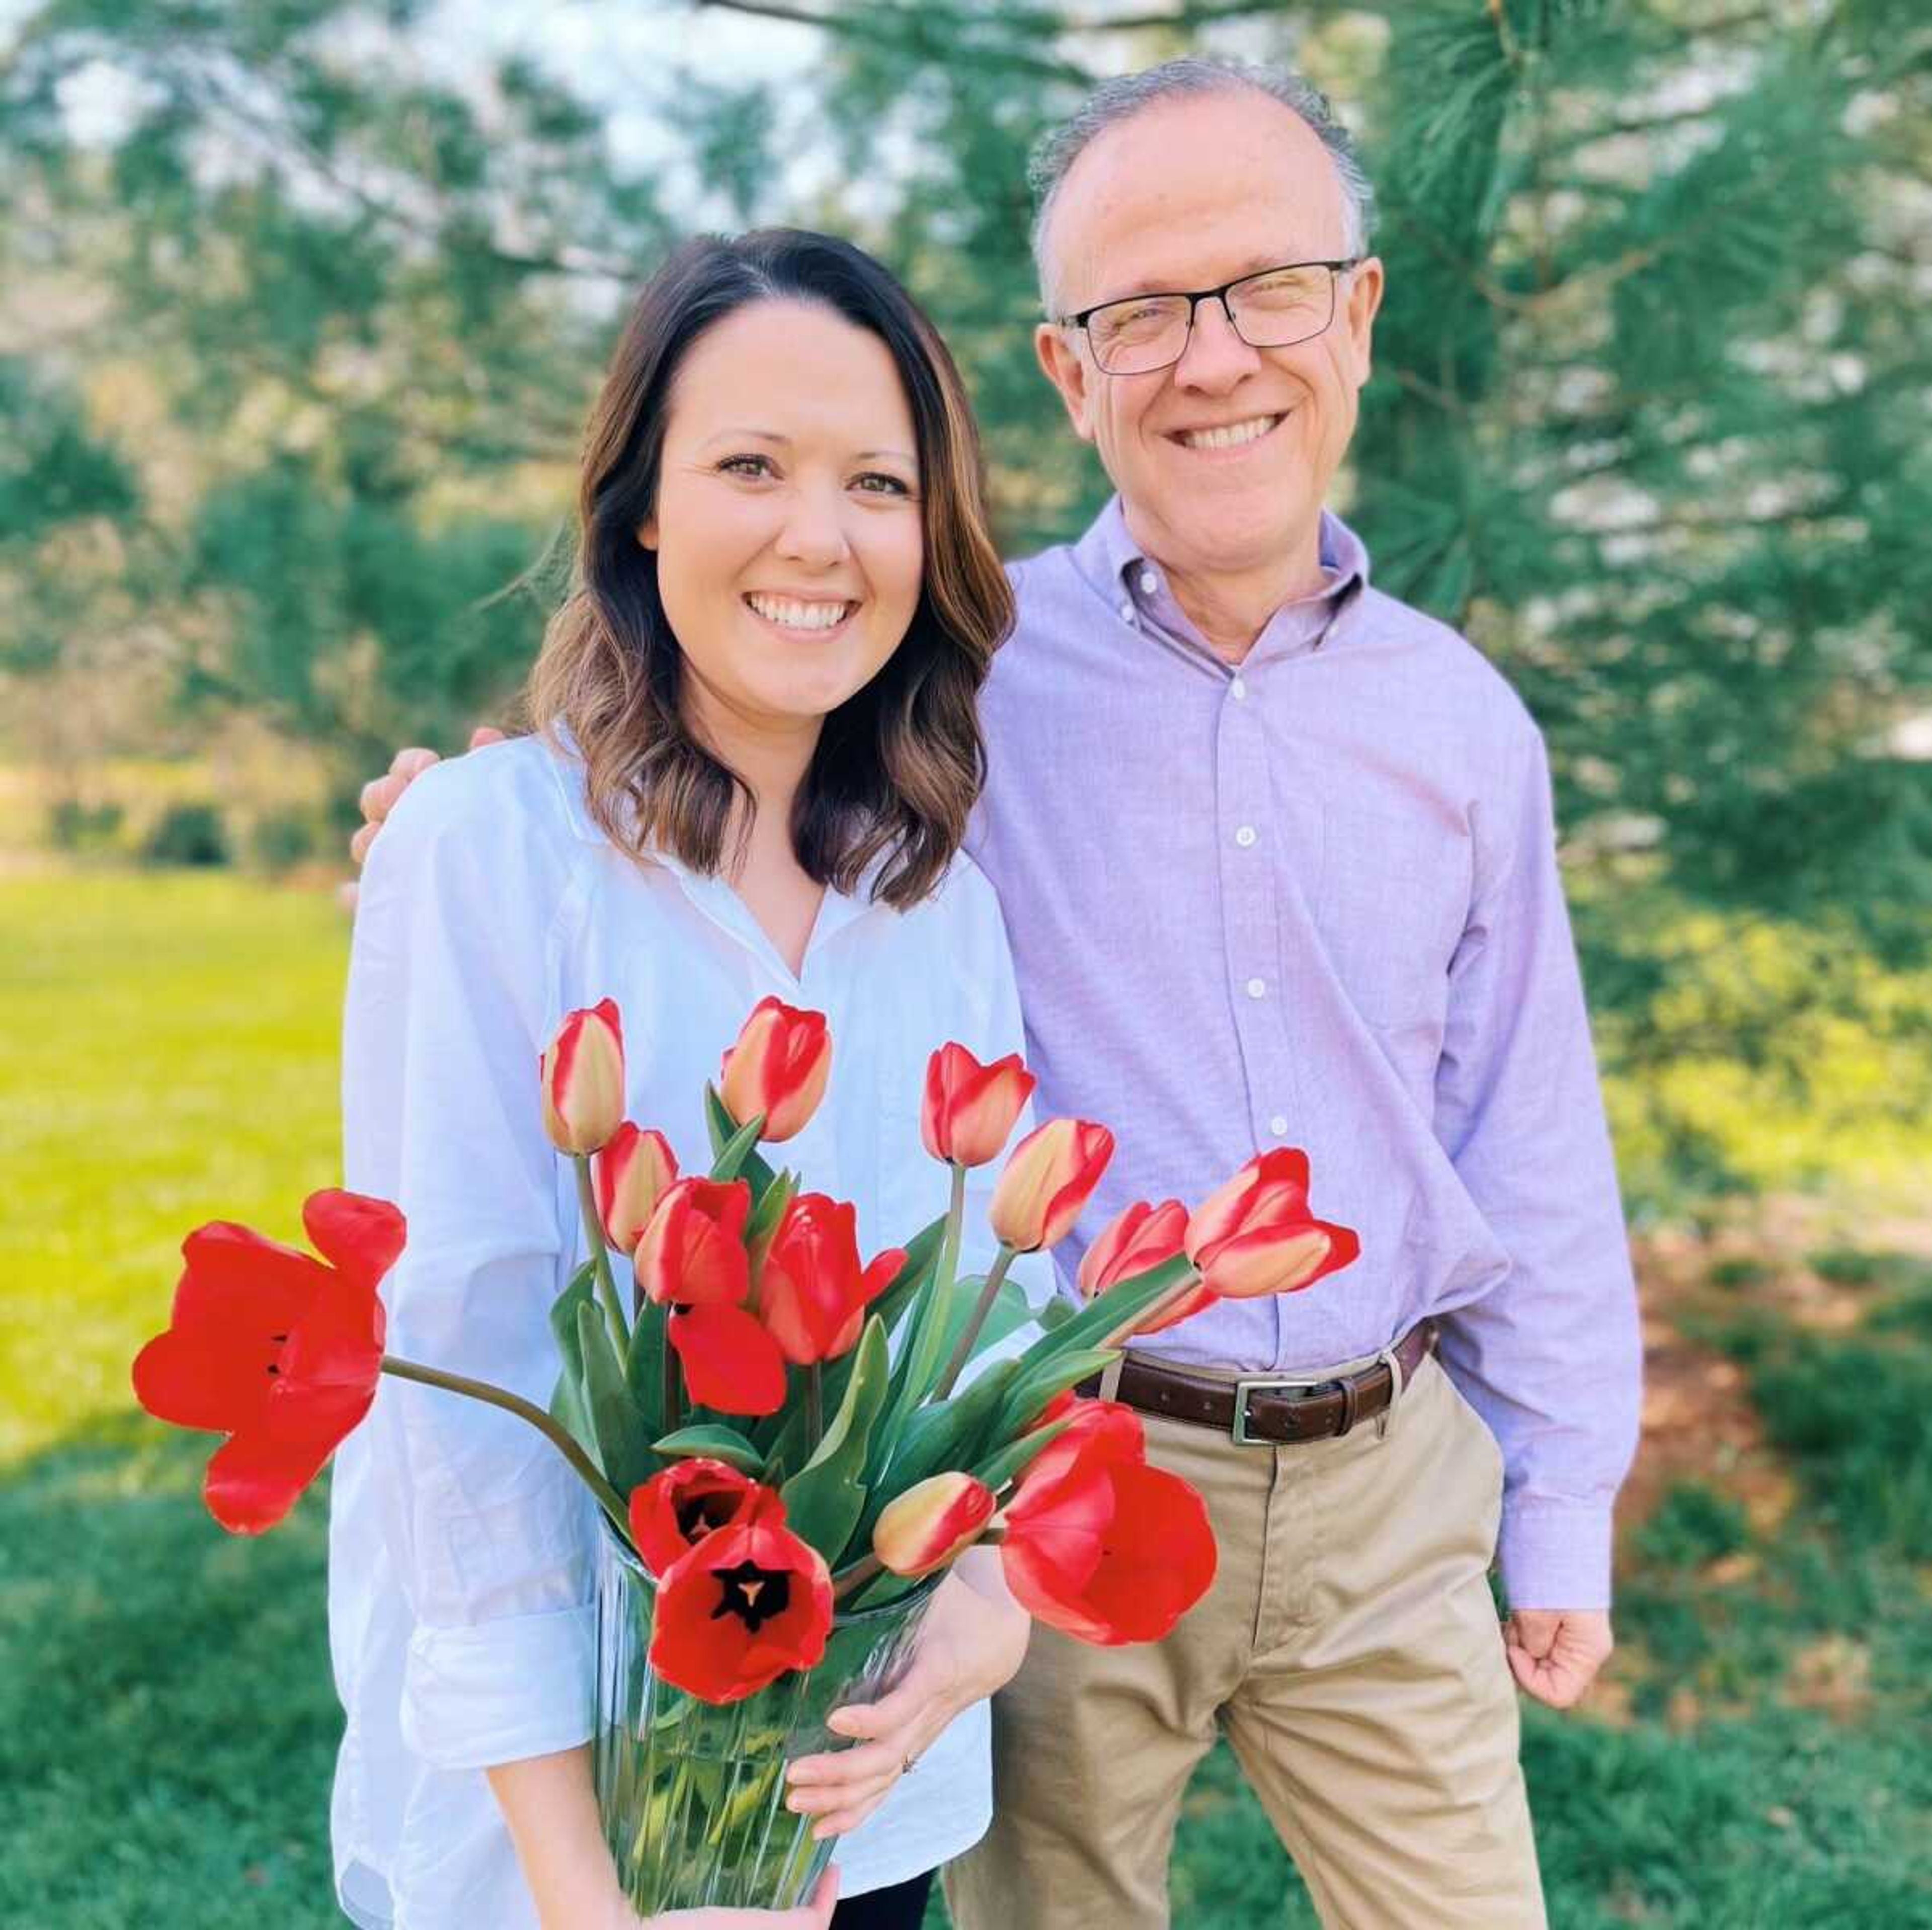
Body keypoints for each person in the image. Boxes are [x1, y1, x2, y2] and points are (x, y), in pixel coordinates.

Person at [353, 56, 1643, 1930]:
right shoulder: (972, 690)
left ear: (1358, 314)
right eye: (1140, 312)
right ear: (1067, 368)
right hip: (1059, 1463)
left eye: (1270, 286)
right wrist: (461, 814)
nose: (1213, 359)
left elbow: (1527, 1123)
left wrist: (1562, 1493)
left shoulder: (1446, 726)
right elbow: (686, 750)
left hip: (1366, 1487)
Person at [333, 228, 1039, 1930]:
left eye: (879, 481)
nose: (821, 536)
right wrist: (595, 1900)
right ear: (640, 502)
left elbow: (1008, 1308)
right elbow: (458, 1373)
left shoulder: (937, 902)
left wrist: (992, 1590)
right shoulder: (487, 853)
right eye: (750, 466)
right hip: (564, 1842)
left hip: (860, 1806)